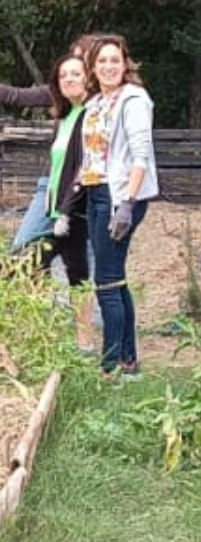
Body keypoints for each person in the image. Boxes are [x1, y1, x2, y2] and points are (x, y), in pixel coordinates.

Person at [0, 34, 99, 250]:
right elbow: (16, 95)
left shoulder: (102, 109)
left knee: (88, 258)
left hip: (85, 194)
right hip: (52, 187)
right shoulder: (62, 97)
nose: (72, 72)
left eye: (81, 62)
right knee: (22, 250)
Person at [78, 35, 158, 377]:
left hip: (121, 197)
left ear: (125, 64)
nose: (109, 66)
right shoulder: (96, 103)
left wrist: (127, 204)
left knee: (106, 280)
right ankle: (128, 360)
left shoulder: (134, 100)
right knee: (115, 277)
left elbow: (141, 155)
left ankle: (109, 366)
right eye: (102, 61)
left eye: (115, 60)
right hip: (97, 192)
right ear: (93, 67)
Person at [43, 53, 94, 349]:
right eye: (63, 76)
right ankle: (46, 336)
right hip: (55, 209)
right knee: (35, 264)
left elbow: (86, 166)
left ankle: (84, 344)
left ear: (88, 78)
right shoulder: (65, 117)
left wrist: (67, 210)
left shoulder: (89, 115)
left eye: (75, 74)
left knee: (78, 276)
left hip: (75, 210)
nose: (69, 79)